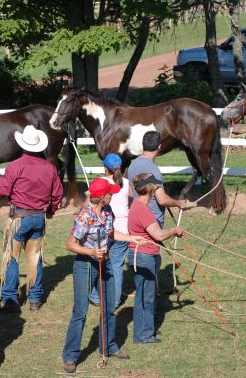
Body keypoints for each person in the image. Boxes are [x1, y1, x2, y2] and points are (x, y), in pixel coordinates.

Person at [62, 178, 146, 374]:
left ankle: (108, 346)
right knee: (80, 312)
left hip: (104, 263)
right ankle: (70, 355)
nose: (113, 194)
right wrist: (91, 253)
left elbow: (111, 234)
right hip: (86, 265)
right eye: (110, 192)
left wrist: (131, 237)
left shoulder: (107, 211)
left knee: (109, 307)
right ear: (102, 197)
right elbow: (70, 244)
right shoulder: (85, 217)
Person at [0, 125, 63, 312]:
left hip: (19, 218)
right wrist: (51, 211)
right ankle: (34, 300)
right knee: (35, 257)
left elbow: (3, 189)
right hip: (38, 218)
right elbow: (58, 194)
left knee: (12, 258)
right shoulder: (49, 168)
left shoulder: (15, 166)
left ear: (23, 145)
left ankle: (10, 299)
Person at [127, 173, 184, 345]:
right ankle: (143, 335)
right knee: (146, 297)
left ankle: (146, 328)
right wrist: (174, 231)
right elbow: (158, 234)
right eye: (156, 187)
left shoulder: (136, 205)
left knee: (145, 295)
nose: (158, 189)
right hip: (144, 257)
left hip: (142, 256)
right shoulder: (142, 210)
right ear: (150, 189)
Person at [89, 153, 130, 309]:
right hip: (123, 228)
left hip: (105, 229)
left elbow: (91, 202)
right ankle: (114, 300)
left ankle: (96, 296)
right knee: (117, 265)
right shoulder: (126, 182)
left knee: (100, 261)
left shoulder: (100, 183)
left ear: (105, 168)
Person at [127, 130, 192, 228]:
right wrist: (179, 203)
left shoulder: (132, 165)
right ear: (159, 147)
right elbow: (162, 200)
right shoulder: (153, 170)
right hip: (152, 222)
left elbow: (131, 194)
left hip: (137, 219)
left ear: (143, 145)